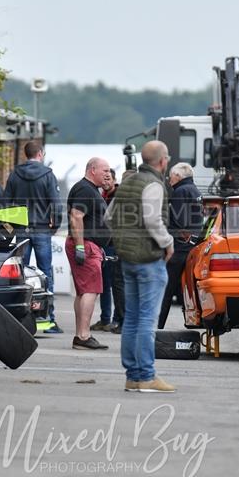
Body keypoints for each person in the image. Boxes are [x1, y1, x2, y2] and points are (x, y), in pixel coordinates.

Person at [105, 141, 176, 393]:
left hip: (127, 259)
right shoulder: (154, 184)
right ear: (163, 161)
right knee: (146, 318)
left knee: (132, 319)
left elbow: (108, 216)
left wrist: (124, 238)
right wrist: (168, 243)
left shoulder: (127, 183)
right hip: (149, 259)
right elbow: (153, 220)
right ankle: (146, 375)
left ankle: (132, 376)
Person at [4, 141, 64, 333]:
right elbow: (56, 205)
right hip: (41, 229)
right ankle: (49, 318)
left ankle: (19, 316)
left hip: (22, 229)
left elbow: (5, 204)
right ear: (40, 154)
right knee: (45, 272)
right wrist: (55, 225)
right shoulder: (48, 175)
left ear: (25, 154)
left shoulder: (15, 174)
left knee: (19, 274)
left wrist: (15, 225)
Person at [66, 157, 111, 350]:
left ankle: (80, 335)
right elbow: (76, 217)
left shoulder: (90, 190)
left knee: (83, 292)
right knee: (90, 291)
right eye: (105, 171)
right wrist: (80, 247)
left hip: (87, 244)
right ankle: (83, 336)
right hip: (86, 245)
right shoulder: (85, 189)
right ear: (93, 170)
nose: (108, 174)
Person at [158, 162, 203, 329]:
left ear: (178, 176)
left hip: (179, 248)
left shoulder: (180, 191)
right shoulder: (194, 190)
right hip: (191, 246)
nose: (169, 179)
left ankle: (157, 326)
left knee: (166, 290)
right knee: (188, 288)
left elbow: (179, 221)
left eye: (171, 176)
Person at [92, 169, 125, 333]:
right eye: (104, 179)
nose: (106, 182)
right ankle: (106, 318)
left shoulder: (118, 195)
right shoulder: (101, 194)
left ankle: (116, 319)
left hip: (113, 244)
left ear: (114, 179)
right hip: (103, 243)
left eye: (108, 179)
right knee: (104, 283)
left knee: (114, 283)